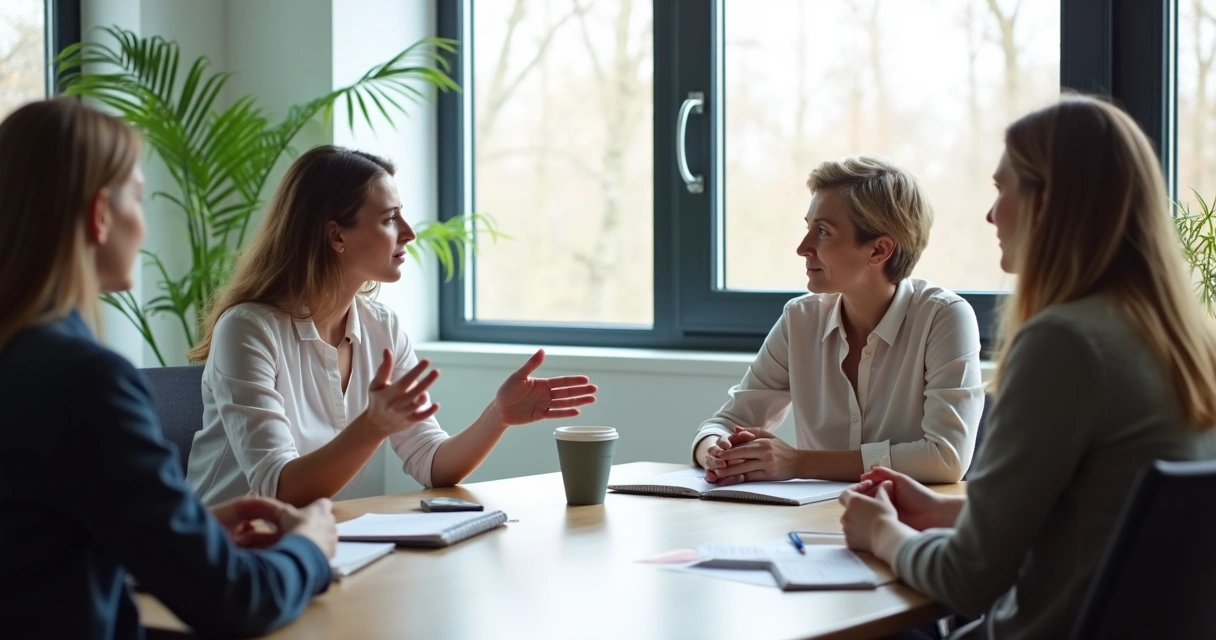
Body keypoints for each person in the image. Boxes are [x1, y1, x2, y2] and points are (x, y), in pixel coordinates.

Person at [839, 95, 1216, 639]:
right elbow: (1096, 524)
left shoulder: (1066, 344)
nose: (991, 214)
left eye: (1002, 189)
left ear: (1050, 201)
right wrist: (942, 514)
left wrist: (881, 533)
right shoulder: (1188, 343)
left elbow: (966, 579)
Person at [0, 98, 337, 639]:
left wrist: (183, 531)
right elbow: (234, 599)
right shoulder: (86, 381)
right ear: (99, 216)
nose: (146, 226)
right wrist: (309, 547)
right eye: (137, 196)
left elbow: (35, 546)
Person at [185, 145, 598, 507]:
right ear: (336, 236)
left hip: (328, 545)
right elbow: (279, 489)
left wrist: (498, 416)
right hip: (229, 559)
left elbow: (431, 462)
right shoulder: (248, 330)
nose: (410, 233)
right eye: (389, 219)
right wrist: (371, 427)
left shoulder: (381, 327)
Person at [692, 156, 984, 485]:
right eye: (808, 228)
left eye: (823, 232)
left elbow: (946, 458)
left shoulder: (944, 317)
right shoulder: (800, 319)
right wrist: (716, 453)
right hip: (811, 524)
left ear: (879, 250)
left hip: (906, 525)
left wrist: (799, 463)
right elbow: (724, 423)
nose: (803, 248)